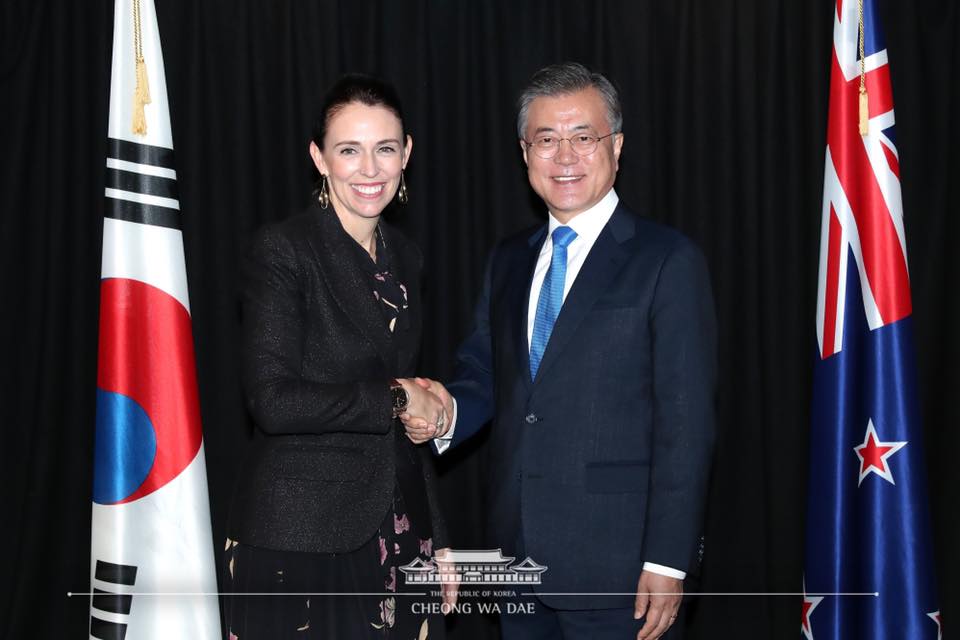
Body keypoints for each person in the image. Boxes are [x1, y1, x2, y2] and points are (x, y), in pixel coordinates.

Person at [402, 62, 716, 640]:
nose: (564, 155)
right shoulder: (509, 260)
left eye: (583, 137)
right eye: (547, 139)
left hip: (621, 570)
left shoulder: (667, 261)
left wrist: (668, 560)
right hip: (517, 561)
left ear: (616, 147)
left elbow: (687, 422)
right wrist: (444, 412)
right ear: (525, 154)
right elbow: (486, 376)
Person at [224, 73, 455, 639]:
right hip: (300, 537)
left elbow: (407, 424)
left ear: (407, 153)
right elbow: (273, 402)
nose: (369, 169)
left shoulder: (405, 258)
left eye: (384, 149)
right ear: (319, 158)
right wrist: (400, 397)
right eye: (348, 150)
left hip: (400, 529)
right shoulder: (284, 250)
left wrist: (440, 537)